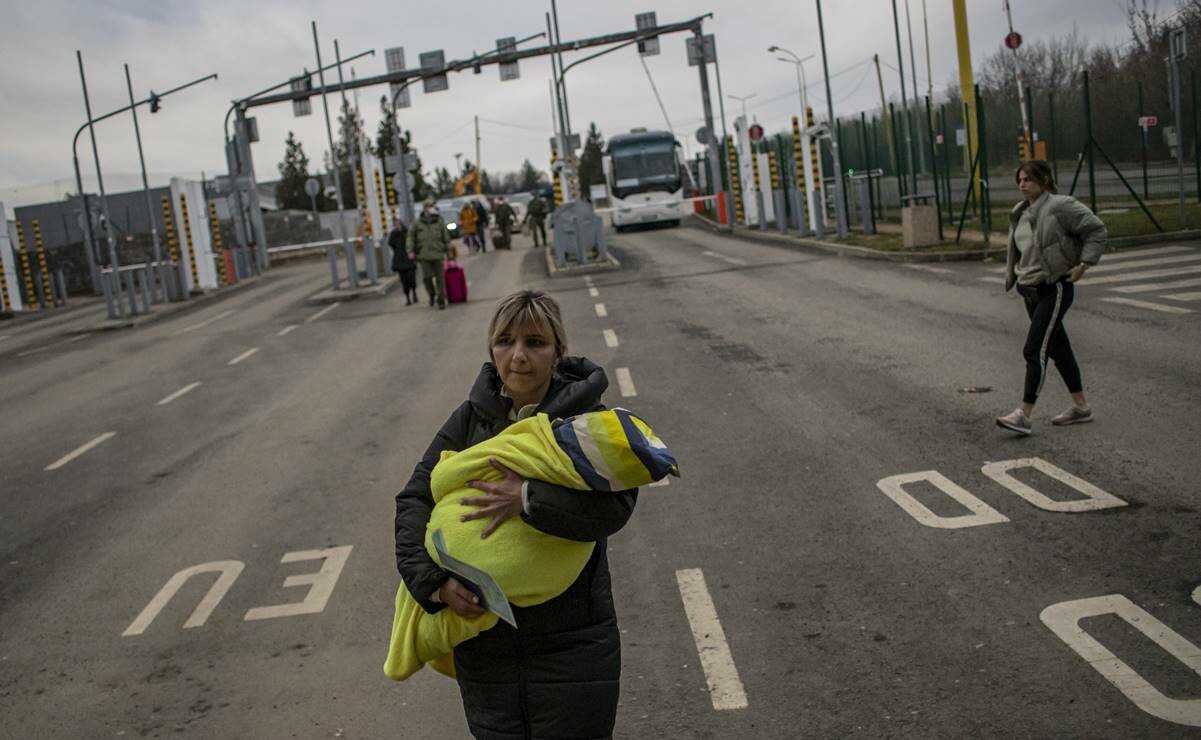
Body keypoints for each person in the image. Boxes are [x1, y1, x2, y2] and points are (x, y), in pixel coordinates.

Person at [394, 290, 637, 738]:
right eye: (505, 341)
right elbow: (414, 499)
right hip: (487, 646)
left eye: (535, 342)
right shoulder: (470, 420)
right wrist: (435, 584)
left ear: (559, 351)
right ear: (491, 350)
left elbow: (616, 506)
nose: (518, 356)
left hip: (573, 643)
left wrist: (526, 498)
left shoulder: (585, 422)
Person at [996, 160, 1106, 435]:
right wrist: (1016, 278)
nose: (1022, 184)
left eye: (1028, 179)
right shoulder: (1020, 212)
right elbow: (1020, 250)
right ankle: (1081, 407)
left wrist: (1084, 265)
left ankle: (1024, 414)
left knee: (1034, 349)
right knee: (1059, 348)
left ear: (1044, 180)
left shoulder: (1060, 205)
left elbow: (1096, 229)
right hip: (1029, 289)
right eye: (1019, 179)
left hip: (1053, 286)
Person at [409, 198, 450, 309]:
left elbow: (445, 237)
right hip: (423, 255)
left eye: (433, 206)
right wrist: (410, 250)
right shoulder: (417, 223)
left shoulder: (439, 221)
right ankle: (432, 294)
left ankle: (441, 300)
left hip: (438, 254)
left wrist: (449, 253)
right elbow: (411, 237)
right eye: (431, 206)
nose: (433, 208)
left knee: (440, 278)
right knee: (427, 278)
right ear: (425, 208)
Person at [388, 216, 418, 305]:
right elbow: (391, 243)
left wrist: (413, 253)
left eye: (397, 222)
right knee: (404, 280)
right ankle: (408, 297)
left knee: (411, 278)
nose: (396, 224)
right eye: (395, 223)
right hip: (400, 261)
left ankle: (414, 293)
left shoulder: (407, 232)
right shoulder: (393, 234)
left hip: (409, 259)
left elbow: (413, 242)